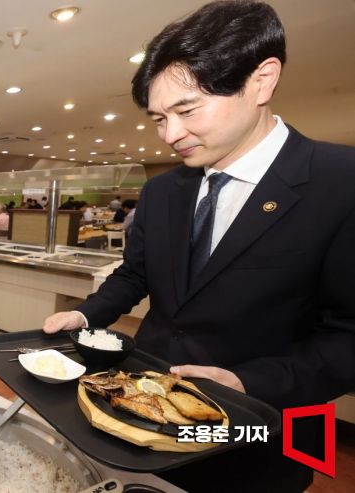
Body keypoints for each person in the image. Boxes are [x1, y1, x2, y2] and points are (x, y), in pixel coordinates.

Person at [43, 2, 355, 492]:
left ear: (262, 80)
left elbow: (348, 338)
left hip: (260, 433)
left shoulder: (342, 184)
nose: (171, 135)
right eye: (158, 119)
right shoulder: (164, 191)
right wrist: (87, 316)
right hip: (145, 409)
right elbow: (135, 274)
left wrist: (247, 383)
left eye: (186, 111)